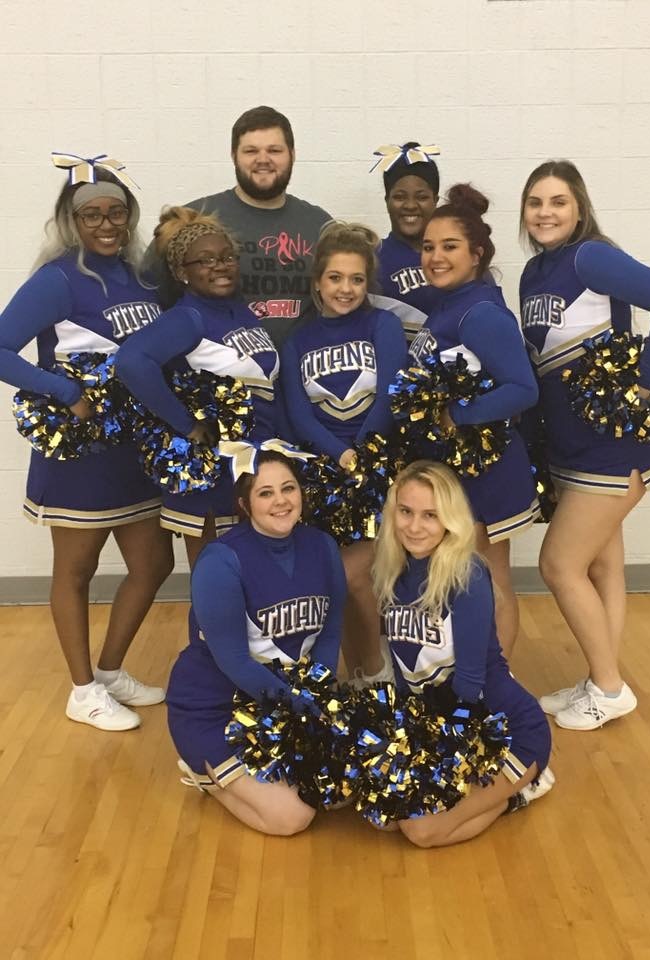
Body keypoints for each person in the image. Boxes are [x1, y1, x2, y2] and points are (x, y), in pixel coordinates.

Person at [518, 160, 650, 730]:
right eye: (535, 202)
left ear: (579, 209)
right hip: (573, 449)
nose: (545, 213)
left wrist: (644, 382)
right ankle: (602, 677)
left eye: (558, 202)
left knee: (558, 564)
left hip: (611, 449)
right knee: (601, 564)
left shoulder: (589, 257)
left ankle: (611, 688)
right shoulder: (533, 272)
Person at [0, 153, 174, 731]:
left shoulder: (140, 276)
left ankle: (110, 671)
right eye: (91, 214)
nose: (105, 224)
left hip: (136, 452)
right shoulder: (56, 280)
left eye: (116, 212)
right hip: (81, 453)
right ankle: (81, 690)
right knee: (76, 569)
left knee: (153, 563)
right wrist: (63, 390)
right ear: (71, 220)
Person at [371, 460, 552, 848]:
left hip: (499, 730)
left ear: (450, 520)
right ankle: (497, 791)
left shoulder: (466, 573)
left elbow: (469, 685)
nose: (414, 526)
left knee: (421, 831)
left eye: (430, 515)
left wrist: (437, 759)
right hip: (440, 723)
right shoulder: (391, 572)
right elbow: (405, 674)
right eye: (406, 511)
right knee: (385, 816)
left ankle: (520, 789)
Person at [165, 448, 347, 836]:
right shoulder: (221, 561)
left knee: (342, 792)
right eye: (266, 493)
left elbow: (331, 631)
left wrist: (319, 693)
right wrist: (300, 707)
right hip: (218, 706)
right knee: (291, 817)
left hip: (286, 698)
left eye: (288, 488)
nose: (281, 501)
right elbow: (234, 661)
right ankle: (205, 773)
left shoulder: (323, 546)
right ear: (245, 504)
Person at [409, 183, 539, 659]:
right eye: (428, 247)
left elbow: (523, 388)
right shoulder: (448, 304)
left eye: (449, 247)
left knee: (489, 578)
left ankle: (496, 679)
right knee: (461, 578)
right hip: (455, 470)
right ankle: (464, 672)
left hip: (488, 469)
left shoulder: (480, 312)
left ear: (476, 254)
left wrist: (457, 414)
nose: (435, 257)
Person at [116, 206, 280, 567]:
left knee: (256, 577)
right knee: (217, 579)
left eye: (227, 257)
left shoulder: (240, 310)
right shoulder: (187, 317)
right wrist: (186, 424)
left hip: (253, 464)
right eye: (205, 261)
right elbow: (131, 362)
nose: (220, 267)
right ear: (181, 272)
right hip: (216, 474)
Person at [280, 222, 408, 683]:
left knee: (354, 575)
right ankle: (357, 672)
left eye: (356, 279)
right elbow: (299, 415)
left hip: (376, 469)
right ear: (318, 281)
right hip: (324, 472)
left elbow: (391, 396)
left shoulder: (383, 324)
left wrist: (360, 455)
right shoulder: (297, 341)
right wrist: (338, 455)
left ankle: (379, 672)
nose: (346, 289)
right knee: (333, 580)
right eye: (335, 278)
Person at [185, 105, 331, 349]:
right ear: (234, 156)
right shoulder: (195, 219)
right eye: (251, 151)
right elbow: (154, 292)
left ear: (292, 154)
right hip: (221, 370)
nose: (263, 160)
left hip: (304, 366)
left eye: (274, 150)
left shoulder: (320, 225)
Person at [373, 141, 443, 338]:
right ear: (387, 201)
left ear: (435, 200)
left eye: (421, 197)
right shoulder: (373, 261)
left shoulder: (456, 256)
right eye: (399, 197)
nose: (410, 205)